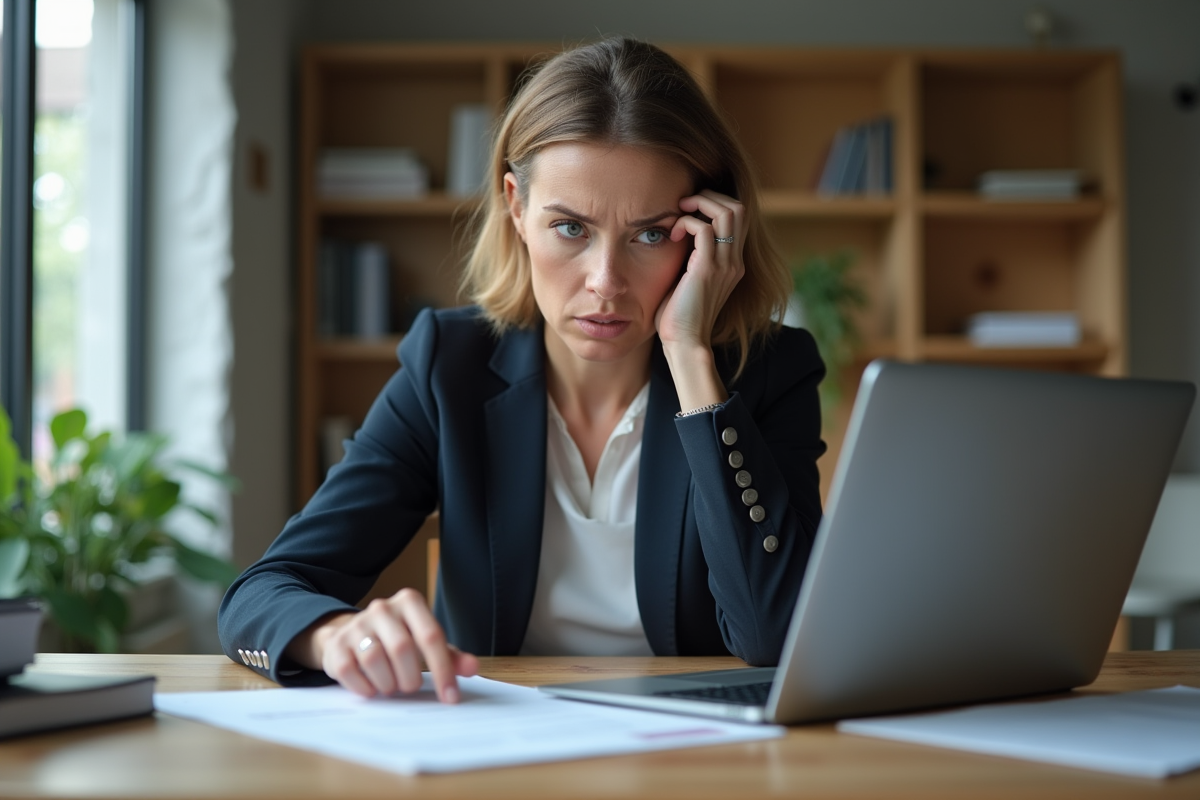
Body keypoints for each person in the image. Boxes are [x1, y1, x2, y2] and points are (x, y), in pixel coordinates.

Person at [218, 37, 826, 705]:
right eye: (571, 228)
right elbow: (261, 594)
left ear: (710, 237)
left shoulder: (769, 373)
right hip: (495, 734)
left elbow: (776, 635)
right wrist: (337, 635)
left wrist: (690, 357)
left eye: (651, 234)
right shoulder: (449, 367)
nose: (605, 282)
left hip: (692, 742)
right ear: (516, 207)